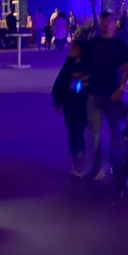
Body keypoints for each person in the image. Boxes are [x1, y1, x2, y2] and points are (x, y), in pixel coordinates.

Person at [76, 12, 128, 181]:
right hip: (94, 92)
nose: (105, 25)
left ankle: (116, 165)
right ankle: (98, 164)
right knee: (94, 134)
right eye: (103, 22)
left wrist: (121, 87)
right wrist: (81, 78)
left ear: (114, 24)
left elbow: (126, 66)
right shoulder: (94, 43)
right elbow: (82, 58)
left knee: (116, 132)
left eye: (108, 22)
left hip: (112, 93)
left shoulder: (119, 44)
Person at [52, 41, 91, 177]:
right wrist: (58, 101)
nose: (71, 50)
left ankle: (81, 157)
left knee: (79, 131)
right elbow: (59, 83)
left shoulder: (87, 65)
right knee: (72, 132)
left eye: (74, 47)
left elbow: (92, 82)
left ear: (80, 50)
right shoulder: (68, 65)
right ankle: (76, 160)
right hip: (70, 103)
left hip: (83, 104)